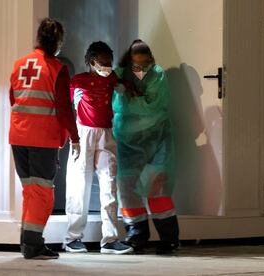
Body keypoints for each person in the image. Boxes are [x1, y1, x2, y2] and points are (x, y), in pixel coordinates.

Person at [9, 18, 80, 260]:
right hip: (42, 139)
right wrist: (75, 136)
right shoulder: (57, 68)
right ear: (58, 41)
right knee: (42, 192)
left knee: (30, 190)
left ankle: (27, 241)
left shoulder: (20, 64)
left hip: (18, 136)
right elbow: (64, 107)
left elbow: (13, 98)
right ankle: (33, 245)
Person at [64, 41, 133, 255]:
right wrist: (71, 136)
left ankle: (110, 239)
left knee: (109, 184)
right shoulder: (77, 82)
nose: (107, 66)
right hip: (83, 133)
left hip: (106, 133)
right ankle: (73, 238)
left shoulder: (111, 78)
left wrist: (128, 87)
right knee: (79, 185)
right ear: (92, 62)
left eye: (109, 63)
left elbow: (121, 85)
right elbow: (66, 106)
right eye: (103, 63)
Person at [112, 39, 180, 254]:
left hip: (156, 140)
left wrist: (132, 100)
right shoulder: (120, 73)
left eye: (144, 64)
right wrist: (137, 100)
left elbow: (155, 106)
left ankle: (169, 239)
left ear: (150, 59)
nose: (140, 69)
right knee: (127, 187)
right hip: (127, 142)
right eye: (136, 65)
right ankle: (136, 236)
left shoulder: (158, 74)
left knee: (156, 188)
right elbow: (117, 104)